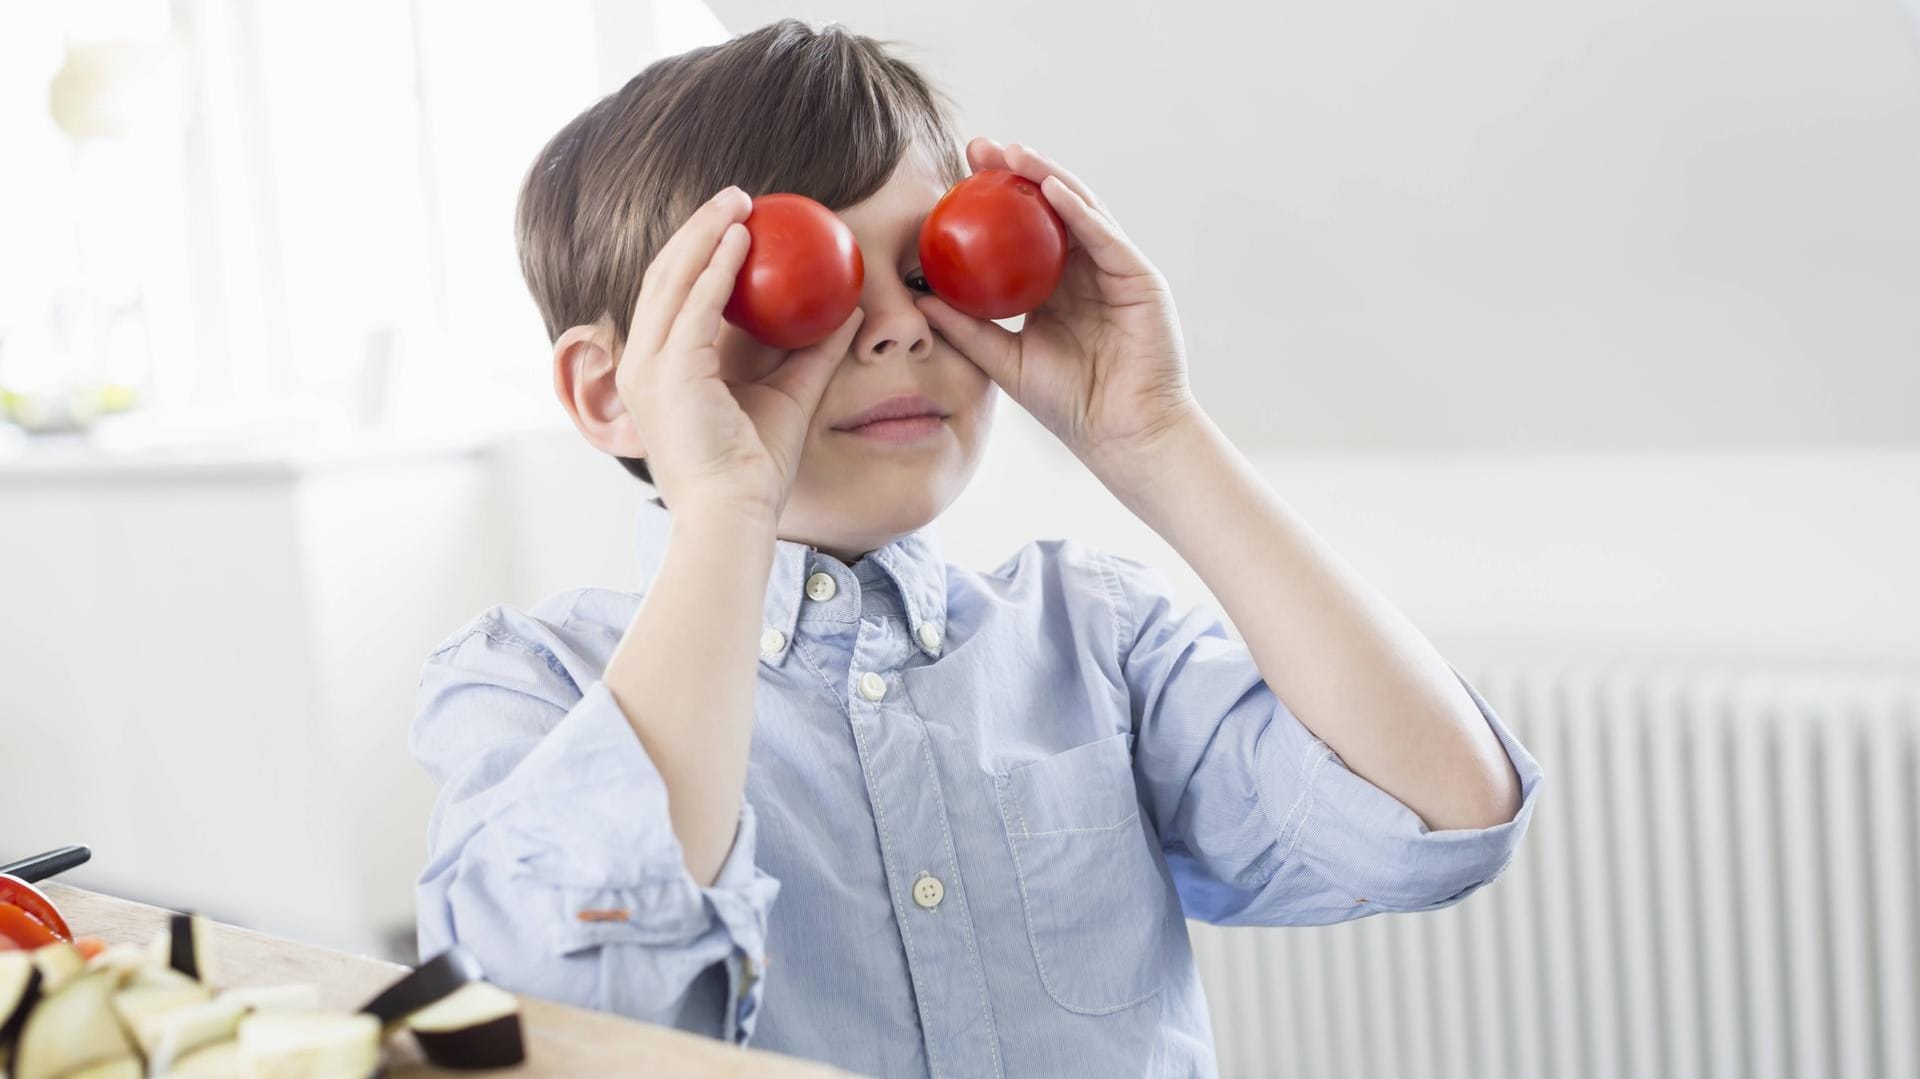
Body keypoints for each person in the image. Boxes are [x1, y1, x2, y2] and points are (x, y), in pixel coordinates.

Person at [411, 19, 1542, 1077]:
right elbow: (555, 997)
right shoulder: (529, 684)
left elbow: (1442, 813)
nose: (898, 326)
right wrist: (721, 508)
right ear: (612, 392)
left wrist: (1157, 435)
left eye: (926, 272)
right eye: (803, 286)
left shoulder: (1095, 637)